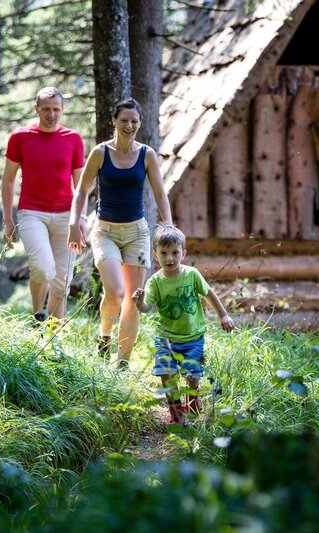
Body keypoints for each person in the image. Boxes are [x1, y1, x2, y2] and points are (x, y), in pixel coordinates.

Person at [68, 98, 172, 367]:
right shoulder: (101, 153)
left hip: (137, 232)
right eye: (124, 120)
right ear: (113, 121)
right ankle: (104, 336)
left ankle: (123, 362)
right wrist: (74, 224)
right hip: (105, 232)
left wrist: (168, 223)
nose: (129, 126)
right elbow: (82, 190)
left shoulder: (146, 154)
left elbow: (160, 192)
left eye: (134, 121)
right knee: (114, 292)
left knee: (134, 298)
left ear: (140, 123)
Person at [131, 224, 235, 424]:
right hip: (166, 340)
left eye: (174, 253)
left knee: (192, 376)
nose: (169, 258)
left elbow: (209, 293)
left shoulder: (192, 275)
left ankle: (193, 407)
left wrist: (223, 315)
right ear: (155, 255)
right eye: (164, 253)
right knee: (166, 376)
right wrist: (139, 302)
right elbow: (147, 308)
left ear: (183, 253)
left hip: (193, 338)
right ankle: (176, 415)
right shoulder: (154, 282)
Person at [2, 87, 85, 321]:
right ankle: (37, 315)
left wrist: (80, 221)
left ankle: (53, 336)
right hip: (31, 212)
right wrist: (8, 221)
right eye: (46, 109)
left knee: (62, 280)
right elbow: (8, 180)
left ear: (62, 110)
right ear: (36, 108)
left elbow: (80, 187)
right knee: (42, 267)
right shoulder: (20, 137)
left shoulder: (73, 139)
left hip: (65, 215)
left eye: (56, 109)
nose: (51, 114)